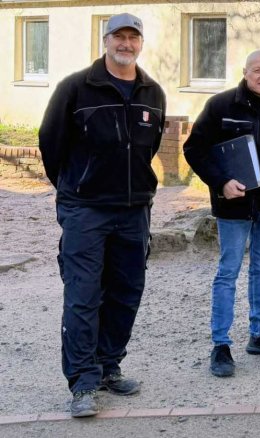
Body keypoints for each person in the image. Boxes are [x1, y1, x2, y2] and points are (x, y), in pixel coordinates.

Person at [38, 13, 166, 417]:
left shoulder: (153, 92)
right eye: (118, 37)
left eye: (133, 38)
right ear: (105, 40)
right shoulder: (76, 88)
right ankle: (83, 383)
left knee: (127, 292)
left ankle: (109, 366)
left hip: (133, 210)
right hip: (86, 210)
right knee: (83, 296)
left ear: (140, 43)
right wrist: (73, 191)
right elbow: (50, 143)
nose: (125, 44)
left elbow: (150, 146)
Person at [183, 50, 260, 378]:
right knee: (228, 271)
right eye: (257, 70)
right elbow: (193, 148)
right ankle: (220, 345)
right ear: (245, 72)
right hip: (234, 205)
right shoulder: (221, 106)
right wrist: (221, 183)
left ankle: (259, 335)